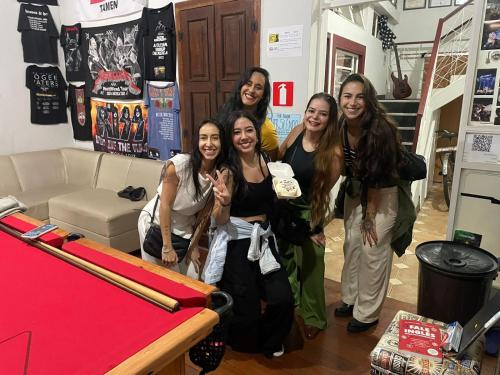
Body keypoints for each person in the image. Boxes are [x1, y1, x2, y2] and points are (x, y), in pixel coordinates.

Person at [203, 110, 294, 358]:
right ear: (230, 138)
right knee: (246, 311)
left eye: (249, 130)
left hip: (264, 239)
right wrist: (225, 201)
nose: (244, 137)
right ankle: (241, 338)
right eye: (236, 132)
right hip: (238, 241)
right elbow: (220, 219)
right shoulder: (229, 170)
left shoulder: (265, 160)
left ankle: (271, 340)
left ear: (257, 132)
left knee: (282, 299)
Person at [333, 73, 403, 333]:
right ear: (340, 99)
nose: (352, 102)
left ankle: (368, 313)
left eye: (359, 97)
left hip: (382, 194)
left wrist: (369, 217)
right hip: (357, 190)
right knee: (351, 245)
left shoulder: (379, 130)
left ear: (369, 100)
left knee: (372, 247)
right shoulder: (342, 125)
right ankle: (351, 299)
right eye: (347, 96)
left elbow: (377, 179)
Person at [277, 92, 341, 340]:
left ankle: (314, 316)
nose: (315, 117)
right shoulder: (296, 130)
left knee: (312, 264)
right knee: (285, 260)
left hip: (307, 211)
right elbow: (280, 155)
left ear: (330, 119)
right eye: (311, 110)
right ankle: (291, 302)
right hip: (283, 206)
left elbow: (323, 195)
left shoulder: (332, 152)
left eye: (322, 113)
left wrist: (315, 226)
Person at [138, 119, 225, 274]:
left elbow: (204, 215)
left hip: (184, 226)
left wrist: (194, 244)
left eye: (215, 138)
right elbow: (165, 205)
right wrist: (167, 246)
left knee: (193, 275)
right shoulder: (179, 165)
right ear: (197, 141)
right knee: (164, 278)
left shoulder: (219, 172)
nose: (209, 143)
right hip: (157, 222)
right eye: (203, 138)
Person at [217, 67, 279, 161]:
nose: (251, 90)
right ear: (241, 86)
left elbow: (270, 163)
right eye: (248, 84)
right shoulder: (225, 112)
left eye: (258, 87)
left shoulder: (267, 130)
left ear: (263, 95)